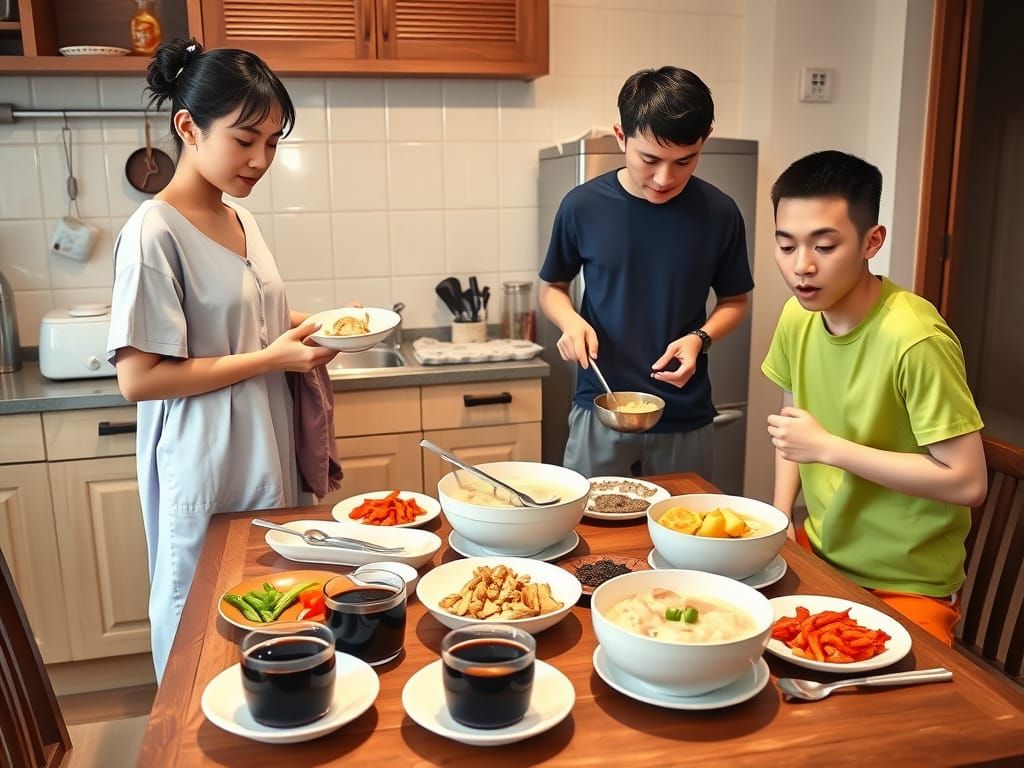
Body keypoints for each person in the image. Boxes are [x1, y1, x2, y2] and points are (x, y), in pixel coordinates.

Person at [106, 38, 338, 681]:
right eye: (244, 139)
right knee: (206, 627)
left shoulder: (239, 219)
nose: (260, 159)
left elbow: (251, 319)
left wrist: (325, 327)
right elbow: (138, 378)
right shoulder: (154, 232)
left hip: (265, 443)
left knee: (272, 609)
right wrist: (270, 360)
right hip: (205, 456)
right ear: (189, 127)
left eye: (272, 142)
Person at [762, 150, 988, 645]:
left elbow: (969, 482)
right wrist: (780, 521)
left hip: (907, 583)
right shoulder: (797, 316)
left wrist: (829, 448)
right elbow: (793, 427)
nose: (801, 267)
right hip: (819, 555)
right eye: (786, 245)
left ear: (872, 241)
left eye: (824, 246)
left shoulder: (914, 337)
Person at [538, 66, 753, 479]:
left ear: (705, 139)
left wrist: (700, 338)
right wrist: (569, 321)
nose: (664, 178)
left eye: (684, 161)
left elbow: (735, 301)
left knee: (687, 518)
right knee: (589, 516)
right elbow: (552, 287)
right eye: (649, 159)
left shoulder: (720, 212)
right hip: (601, 402)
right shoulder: (582, 206)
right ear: (621, 136)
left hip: (684, 409)